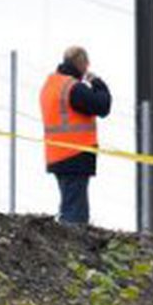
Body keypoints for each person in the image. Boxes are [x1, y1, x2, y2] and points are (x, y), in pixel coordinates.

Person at [40, 46, 112, 224]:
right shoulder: (72, 87)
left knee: (69, 204)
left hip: (57, 154)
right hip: (74, 154)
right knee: (75, 212)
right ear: (81, 64)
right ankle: (72, 248)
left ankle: (66, 242)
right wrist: (97, 83)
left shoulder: (50, 85)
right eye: (86, 65)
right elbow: (102, 106)